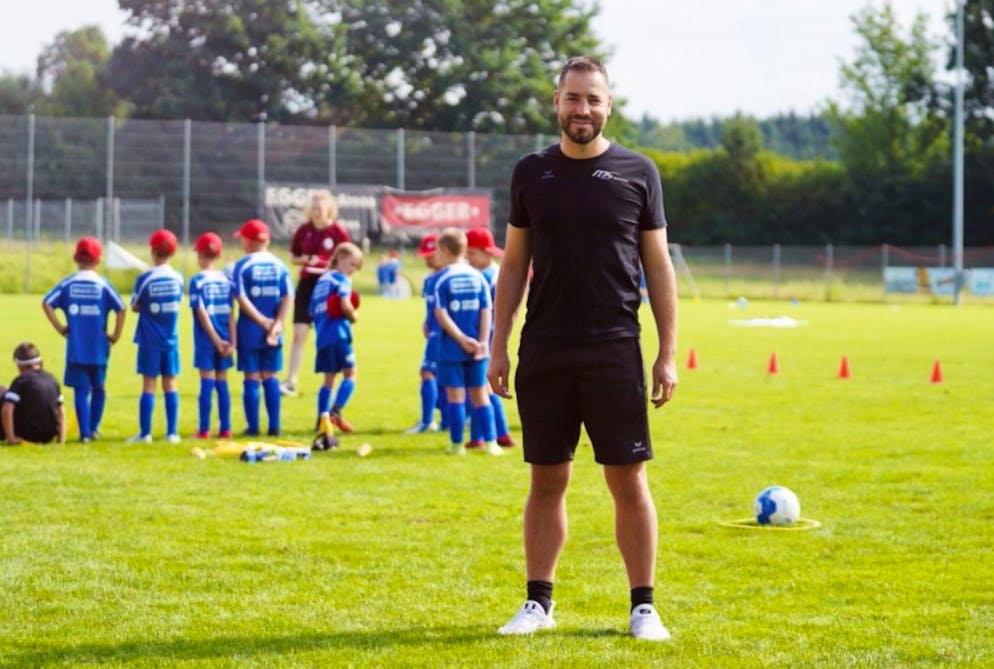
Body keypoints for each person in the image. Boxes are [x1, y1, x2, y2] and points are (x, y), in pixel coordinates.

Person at [488, 56, 678, 641]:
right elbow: (515, 263)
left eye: (592, 100)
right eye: (572, 99)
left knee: (628, 480)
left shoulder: (638, 172)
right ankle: (538, 603)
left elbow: (658, 265)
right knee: (546, 480)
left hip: (615, 346)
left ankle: (643, 607)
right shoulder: (531, 173)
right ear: (556, 103)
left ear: (608, 105)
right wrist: (501, 343)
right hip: (543, 346)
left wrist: (667, 351)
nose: (582, 110)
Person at [42, 236, 126, 442]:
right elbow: (121, 308)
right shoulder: (103, 285)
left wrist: (60, 327)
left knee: (81, 390)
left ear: (75, 258)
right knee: (99, 388)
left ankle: (85, 434)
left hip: (76, 347)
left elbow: (46, 303)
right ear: (98, 260)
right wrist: (115, 335)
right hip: (98, 347)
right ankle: (95, 428)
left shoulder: (68, 283)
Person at [432, 227, 501, 456]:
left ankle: (456, 444)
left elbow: (441, 315)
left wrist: (461, 339)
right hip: (479, 349)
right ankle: (491, 442)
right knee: (481, 395)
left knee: (456, 397)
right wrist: (482, 341)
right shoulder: (478, 277)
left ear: (443, 250)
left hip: (451, 348)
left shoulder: (441, 279)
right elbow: (487, 310)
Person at [281, 190, 351, 397]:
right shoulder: (303, 230)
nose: (316, 212)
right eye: (313, 208)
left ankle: (331, 379)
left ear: (329, 209)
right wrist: (305, 260)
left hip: (328, 286)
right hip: (306, 283)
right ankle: (291, 381)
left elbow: (350, 259)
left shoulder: (338, 232)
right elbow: (294, 257)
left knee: (328, 335)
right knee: (299, 333)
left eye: (320, 208)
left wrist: (331, 269)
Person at [231, 218, 294, 436]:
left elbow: (240, 296)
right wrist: (278, 323)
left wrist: (261, 321)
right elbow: (288, 296)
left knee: (251, 377)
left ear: (248, 241)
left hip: (250, 331)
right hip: (273, 333)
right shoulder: (279, 264)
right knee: (271, 376)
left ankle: (253, 427)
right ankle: (274, 426)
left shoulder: (242, 265)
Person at [128, 229, 185, 444]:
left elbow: (134, 306)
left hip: (149, 340)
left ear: (152, 251)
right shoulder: (178, 278)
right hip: (171, 340)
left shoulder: (145, 278)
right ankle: (172, 433)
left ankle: (145, 433)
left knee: (149, 384)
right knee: (170, 384)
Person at [465, 226, 515, 449]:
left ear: (485, 252)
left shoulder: (488, 277)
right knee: (483, 386)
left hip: (486, 337)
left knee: (479, 387)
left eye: (471, 253)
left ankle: (486, 436)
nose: (468, 258)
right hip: (490, 336)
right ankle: (498, 434)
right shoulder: (491, 273)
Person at [309, 242, 363, 433]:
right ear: (339, 258)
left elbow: (312, 311)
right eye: (352, 264)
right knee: (351, 374)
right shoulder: (342, 279)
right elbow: (345, 303)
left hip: (323, 336)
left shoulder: (322, 282)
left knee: (328, 380)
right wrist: (353, 316)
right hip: (339, 334)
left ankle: (321, 418)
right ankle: (335, 412)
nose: (353, 270)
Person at [188, 232, 235, 439]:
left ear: (200, 255)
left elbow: (201, 312)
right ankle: (225, 428)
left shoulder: (197, 281)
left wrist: (215, 339)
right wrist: (232, 341)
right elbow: (231, 312)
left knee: (206, 382)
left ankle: (204, 429)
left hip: (208, 340)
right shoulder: (226, 280)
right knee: (222, 382)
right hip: (226, 338)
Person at [404, 233, 445, 434]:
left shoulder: (446, 277)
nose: (427, 259)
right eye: (425, 255)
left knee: (428, 372)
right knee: (440, 376)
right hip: (434, 333)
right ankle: (446, 420)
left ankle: (428, 421)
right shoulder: (430, 279)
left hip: (443, 335)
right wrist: (427, 322)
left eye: (431, 254)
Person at [1, 342, 65, 445]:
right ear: (41, 363)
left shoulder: (21, 381)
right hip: (49, 435)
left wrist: (11, 438)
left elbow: (7, 410)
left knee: (2, 392)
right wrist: (61, 441)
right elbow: (61, 411)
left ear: (19, 366)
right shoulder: (52, 379)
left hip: (26, 434)